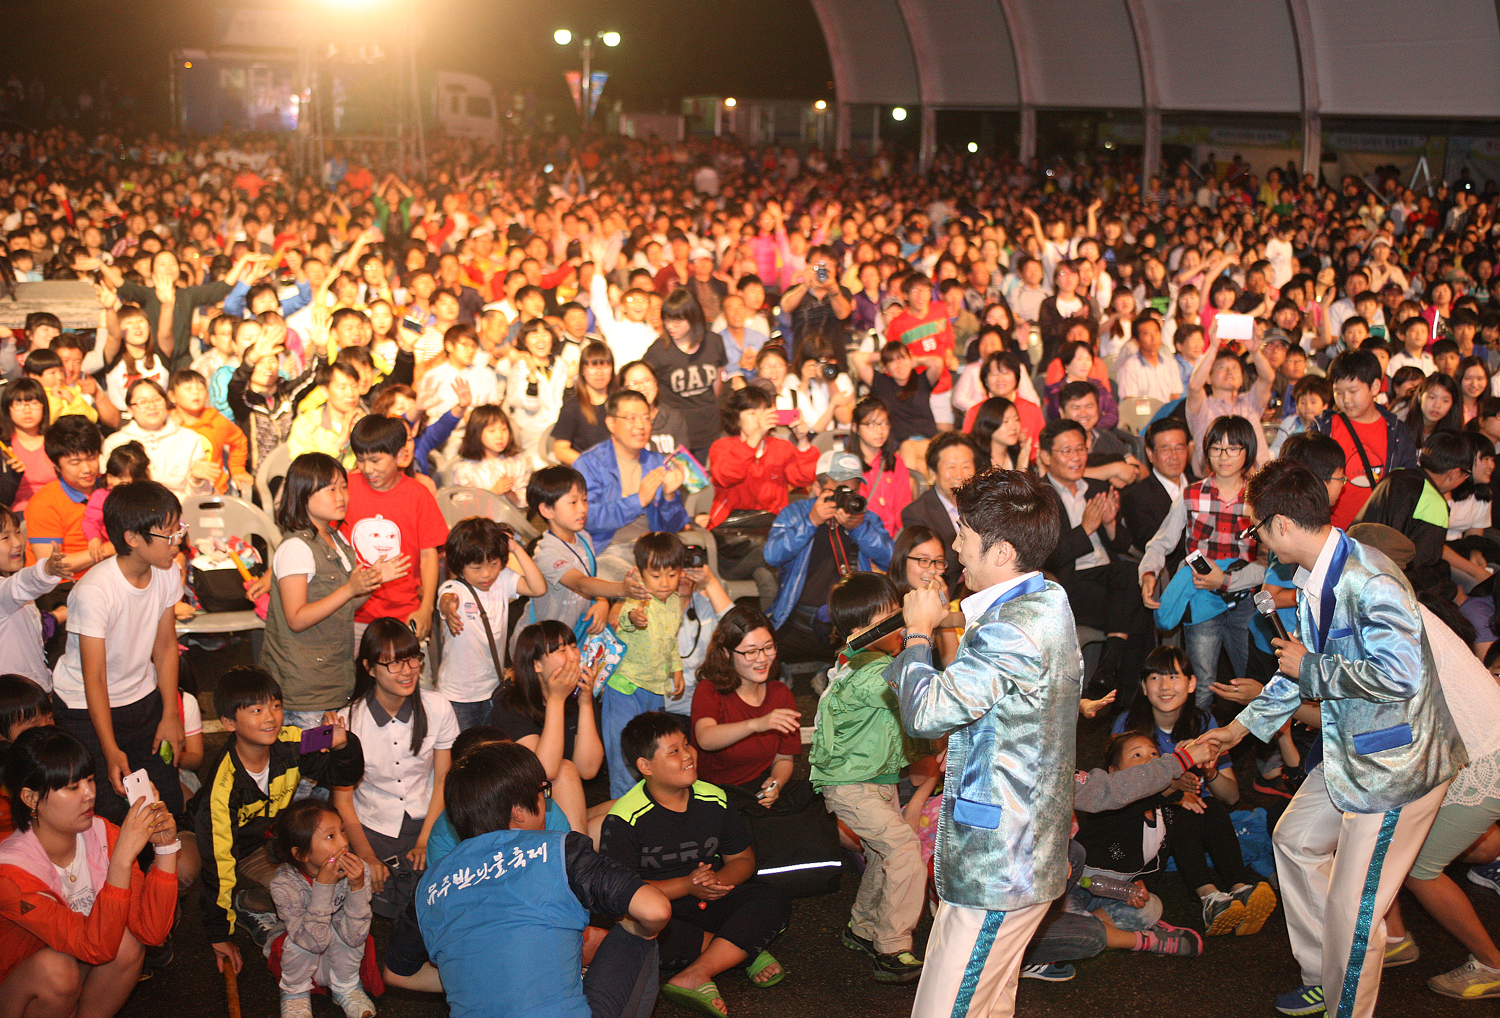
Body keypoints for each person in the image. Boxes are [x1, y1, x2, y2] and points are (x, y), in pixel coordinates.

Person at [1201, 459, 1467, 1018]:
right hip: (1355, 751)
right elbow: (1294, 670)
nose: (1257, 542)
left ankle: (1349, 1003)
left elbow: (1399, 676)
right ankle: (1328, 974)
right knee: (1294, 841)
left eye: (1254, 529)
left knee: (1354, 907)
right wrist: (1234, 731)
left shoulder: (1366, 577)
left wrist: (1313, 669)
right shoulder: (1318, 574)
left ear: (1281, 525)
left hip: (1396, 767)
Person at [889, 468, 1081, 1018]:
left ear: (1001, 553)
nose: (953, 550)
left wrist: (920, 634)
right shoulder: (1049, 600)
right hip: (1020, 853)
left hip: (1000, 866)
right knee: (990, 1006)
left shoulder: (1013, 627)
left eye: (964, 536)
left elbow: (926, 713)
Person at [417, 741, 671, 1018]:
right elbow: (656, 909)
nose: (546, 800)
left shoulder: (431, 881)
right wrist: (640, 930)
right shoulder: (559, 849)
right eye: (543, 792)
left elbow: (396, 975)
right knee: (635, 930)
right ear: (519, 811)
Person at [599, 713, 792, 1016]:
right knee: (631, 931)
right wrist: (687, 885)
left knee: (773, 898)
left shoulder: (715, 798)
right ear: (645, 766)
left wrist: (719, 880)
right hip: (664, 909)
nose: (688, 755)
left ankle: (697, 972)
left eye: (687, 745)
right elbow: (622, 894)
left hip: (711, 899)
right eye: (674, 751)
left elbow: (743, 860)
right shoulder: (624, 818)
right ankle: (738, 950)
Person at [197, 665, 364, 977]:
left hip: (276, 841)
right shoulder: (222, 787)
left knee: (325, 862)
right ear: (228, 722)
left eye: (275, 706)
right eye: (257, 709)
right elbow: (216, 861)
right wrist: (219, 934)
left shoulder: (295, 739)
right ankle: (249, 903)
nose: (270, 717)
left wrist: (344, 743)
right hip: (241, 855)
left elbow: (344, 773)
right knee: (292, 887)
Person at [0, 726, 178, 1018]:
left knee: (128, 945)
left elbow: (152, 931)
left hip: (75, 965)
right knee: (56, 971)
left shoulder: (104, 834)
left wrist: (166, 849)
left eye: (91, 781)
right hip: (16, 987)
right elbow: (95, 948)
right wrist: (120, 861)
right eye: (72, 787)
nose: (89, 795)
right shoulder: (10, 873)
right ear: (31, 799)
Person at [1112, 646, 1278, 934]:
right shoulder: (1128, 726)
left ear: (1191, 684)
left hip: (1199, 814)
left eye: (1174, 677)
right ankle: (1209, 897)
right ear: (1143, 686)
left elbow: (1232, 797)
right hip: (1144, 819)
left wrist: (1209, 770)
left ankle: (1239, 888)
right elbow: (1118, 792)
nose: (1164, 686)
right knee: (1180, 809)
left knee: (1210, 805)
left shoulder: (1203, 724)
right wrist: (1172, 786)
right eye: (1155, 678)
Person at [810, 572, 926, 985]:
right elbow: (920, 692)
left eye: (899, 615)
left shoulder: (865, 664)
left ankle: (862, 928)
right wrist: (922, 634)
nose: (900, 625)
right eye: (891, 620)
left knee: (882, 856)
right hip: (850, 785)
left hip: (876, 779)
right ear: (861, 632)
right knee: (904, 850)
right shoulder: (868, 669)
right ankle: (893, 947)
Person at [49, 481, 186, 826]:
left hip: (141, 699)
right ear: (132, 538)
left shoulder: (167, 572)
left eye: (178, 529)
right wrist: (110, 750)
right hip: (86, 708)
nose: (178, 541)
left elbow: (166, 646)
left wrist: (171, 713)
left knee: (165, 802)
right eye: (169, 534)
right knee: (109, 814)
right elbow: (94, 678)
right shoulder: (95, 591)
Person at [335, 618, 459, 920]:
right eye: (392, 663)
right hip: (373, 826)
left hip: (429, 817)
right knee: (378, 889)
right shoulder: (347, 721)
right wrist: (366, 856)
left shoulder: (438, 707)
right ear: (368, 667)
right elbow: (343, 800)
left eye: (412, 659)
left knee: (442, 891)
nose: (407, 671)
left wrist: (424, 840)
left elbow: (443, 779)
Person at [1139, 415, 1265, 710]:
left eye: (1233, 448)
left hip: (1245, 599)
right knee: (1203, 682)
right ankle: (1199, 744)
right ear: (1206, 452)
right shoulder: (1191, 494)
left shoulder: (1260, 498)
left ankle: (1261, 752)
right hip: (1200, 599)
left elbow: (1269, 560)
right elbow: (1161, 542)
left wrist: (1226, 580)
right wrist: (1148, 572)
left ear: (1248, 451)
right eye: (1216, 448)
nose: (1223, 456)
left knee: (1250, 679)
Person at [264, 453, 394, 731]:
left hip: (334, 679)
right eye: (330, 488)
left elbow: (349, 604)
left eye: (343, 487)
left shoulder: (336, 537)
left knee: (331, 764)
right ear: (303, 495)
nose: (341, 496)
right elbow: (296, 619)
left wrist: (371, 581)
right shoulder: (296, 547)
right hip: (306, 689)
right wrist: (349, 588)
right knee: (311, 768)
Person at [1037, 419, 1152, 700]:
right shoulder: (1038, 497)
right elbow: (1046, 556)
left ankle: (1110, 671)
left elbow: (1124, 544)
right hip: (1070, 583)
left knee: (1128, 575)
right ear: (1045, 456)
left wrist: (1111, 524)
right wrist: (1086, 529)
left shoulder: (1097, 486)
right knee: (1138, 610)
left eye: (1080, 449)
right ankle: (1125, 701)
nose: (1076, 457)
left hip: (1110, 578)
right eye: (1066, 451)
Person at [340, 415, 448, 675]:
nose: (367, 469)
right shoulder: (345, 488)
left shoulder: (418, 495)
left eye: (375, 460)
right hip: (352, 614)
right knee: (349, 687)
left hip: (403, 612)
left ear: (400, 455)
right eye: (361, 459)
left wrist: (426, 608)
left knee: (411, 682)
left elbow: (428, 555)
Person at [764, 450, 894, 665]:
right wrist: (811, 521)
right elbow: (772, 556)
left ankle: (828, 674)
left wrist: (859, 528)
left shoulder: (865, 518)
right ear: (817, 488)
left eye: (851, 491)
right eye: (838, 490)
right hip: (796, 618)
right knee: (765, 659)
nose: (846, 497)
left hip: (848, 621)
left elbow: (890, 559)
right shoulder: (795, 513)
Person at [265, 800, 375, 1018]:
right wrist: (323, 888)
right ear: (302, 855)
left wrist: (357, 887)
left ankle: (346, 988)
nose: (344, 842)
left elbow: (355, 936)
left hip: (340, 956)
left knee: (345, 930)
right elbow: (311, 942)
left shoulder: (360, 871)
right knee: (300, 943)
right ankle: (295, 993)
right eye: (330, 836)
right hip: (300, 953)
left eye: (342, 831)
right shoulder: (283, 885)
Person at [434, 516, 546, 730]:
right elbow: (446, 599)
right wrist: (448, 608)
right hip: (458, 696)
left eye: (493, 564)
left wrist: (515, 548)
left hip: (494, 690)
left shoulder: (503, 579)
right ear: (460, 565)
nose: (486, 574)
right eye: (476, 568)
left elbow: (538, 588)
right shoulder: (454, 588)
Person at [603, 532, 687, 798]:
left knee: (654, 750)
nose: (664, 583)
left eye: (672, 575)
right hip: (625, 686)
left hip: (654, 688)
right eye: (655, 575)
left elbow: (670, 640)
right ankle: (622, 805)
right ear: (639, 573)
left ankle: (652, 800)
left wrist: (677, 669)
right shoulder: (638, 598)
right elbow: (628, 617)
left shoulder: (674, 602)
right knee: (623, 753)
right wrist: (633, 617)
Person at [574, 389, 689, 583]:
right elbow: (586, 517)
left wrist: (669, 497)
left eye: (646, 418)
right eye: (631, 418)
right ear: (611, 423)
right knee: (633, 583)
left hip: (654, 553)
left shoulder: (657, 463)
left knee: (698, 580)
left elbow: (673, 528)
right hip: (608, 550)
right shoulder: (589, 464)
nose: (640, 426)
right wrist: (638, 501)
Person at [1314, 349, 1419, 531]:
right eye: (1338, 392)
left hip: (1378, 535)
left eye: (1353, 391)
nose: (1346, 399)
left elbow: (1406, 487)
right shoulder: (1323, 429)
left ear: (1375, 387)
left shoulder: (1398, 433)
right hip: (1329, 534)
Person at [645, 289, 726, 463]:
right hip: (676, 430)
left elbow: (717, 383)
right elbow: (646, 383)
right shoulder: (659, 351)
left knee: (707, 483)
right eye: (667, 320)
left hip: (709, 427)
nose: (670, 326)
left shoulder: (713, 342)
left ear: (693, 317)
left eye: (677, 321)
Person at [100, 379, 215, 500]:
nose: (152, 406)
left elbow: (202, 497)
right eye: (142, 402)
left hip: (182, 512)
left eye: (157, 400)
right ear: (129, 409)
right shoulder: (114, 443)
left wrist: (197, 480)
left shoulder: (188, 438)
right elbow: (111, 492)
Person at [1185, 322, 1273, 475]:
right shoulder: (1203, 407)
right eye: (1221, 367)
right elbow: (1194, 386)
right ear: (1209, 378)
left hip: (1259, 482)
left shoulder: (1250, 402)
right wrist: (1213, 347)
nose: (1229, 372)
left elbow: (1267, 378)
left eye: (1234, 368)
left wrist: (1255, 350)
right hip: (1216, 483)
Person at [0, 508, 74, 689]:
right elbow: (22, 584)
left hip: (35, 689)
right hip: (15, 701)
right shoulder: (8, 589)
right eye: (5, 538)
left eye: (18, 532)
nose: (18, 542)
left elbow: (31, 629)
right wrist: (46, 570)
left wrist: (59, 615)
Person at [24, 415, 103, 578]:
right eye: (75, 463)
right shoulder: (44, 503)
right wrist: (110, 549)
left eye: (92, 458)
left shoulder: (109, 488)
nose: (87, 468)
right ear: (57, 466)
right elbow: (51, 564)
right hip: (62, 587)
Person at [900, 432, 979, 595]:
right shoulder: (916, 514)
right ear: (933, 472)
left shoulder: (983, 507)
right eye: (951, 467)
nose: (960, 475)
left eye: (966, 466)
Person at [168, 369, 251, 495]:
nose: (196, 392)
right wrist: (169, 423)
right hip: (178, 492)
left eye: (201, 389)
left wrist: (237, 469)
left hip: (214, 491)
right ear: (172, 396)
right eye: (188, 388)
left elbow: (239, 440)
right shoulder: (167, 423)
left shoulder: (216, 421)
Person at [1120, 417, 1192, 563]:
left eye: (1179, 448)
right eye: (1165, 449)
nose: (1174, 456)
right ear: (1150, 454)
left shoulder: (1202, 485)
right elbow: (1149, 544)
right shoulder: (1136, 496)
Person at [845, 396, 916, 541]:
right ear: (855, 427)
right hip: (859, 539)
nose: (880, 431)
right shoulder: (846, 464)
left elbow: (903, 508)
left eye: (885, 423)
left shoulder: (896, 463)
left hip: (891, 541)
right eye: (871, 424)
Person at [552, 340, 617, 465]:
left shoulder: (620, 402)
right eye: (593, 366)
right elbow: (560, 450)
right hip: (588, 473)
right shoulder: (572, 407)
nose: (599, 372)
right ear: (582, 370)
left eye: (604, 365)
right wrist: (591, 465)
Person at [1, 376, 54, 514]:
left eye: (34, 403)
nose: (27, 410)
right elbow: (3, 500)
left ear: (44, 406)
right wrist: (12, 475)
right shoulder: (4, 447)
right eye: (19, 404)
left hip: (58, 508)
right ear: (8, 409)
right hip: (19, 513)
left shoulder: (56, 440)